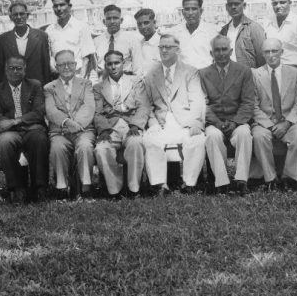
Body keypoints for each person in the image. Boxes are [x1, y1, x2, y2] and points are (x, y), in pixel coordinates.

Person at [137, 34, 207, 195]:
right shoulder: (151, 74)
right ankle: (160, 185)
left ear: (178, 50)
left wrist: (196, 122)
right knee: (149, 139)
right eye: (161, 47)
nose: (164, 50)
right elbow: (146, 104)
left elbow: (197, 100)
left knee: (197, 139)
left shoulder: (190, 72)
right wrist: (152, 123)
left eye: (168, 47)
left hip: (184, 120)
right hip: (161, 122)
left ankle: (189, 184)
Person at [199, 35, 257, 195]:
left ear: (231, 51)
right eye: (217, 50)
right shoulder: (203, 74)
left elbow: (248, 102)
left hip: (237, 121)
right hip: (214, 122)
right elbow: (203, 104)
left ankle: (241, 180)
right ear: (211, 53)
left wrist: (235, 122)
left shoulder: (243, 71)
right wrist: (217, 123)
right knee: (212, 137)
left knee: (245, 134)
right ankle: (221, 182)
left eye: (224, 49)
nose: (221, 53)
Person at [250, 38, 297, 191]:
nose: (271, 55)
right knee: (258, 136)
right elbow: (253, 105)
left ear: (282, 52)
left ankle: (289, 178)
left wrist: (287, 123)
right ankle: (270, 179)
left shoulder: (295, 73)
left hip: (288, 121)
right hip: (265, 122)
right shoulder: (255, 74)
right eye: (267, 52)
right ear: (262, 54)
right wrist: (270, 125)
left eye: (275, 51)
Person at [0, 56, 49, 204]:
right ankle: (17, 189)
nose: (15, 71)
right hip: (10, 132)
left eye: (19, 68)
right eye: (11, 68)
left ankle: (39, 188)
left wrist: (15, 121)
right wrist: (5, 123)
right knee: (4, 142)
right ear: (5, 69)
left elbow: (39, 111)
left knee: (40, 139)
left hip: (32, 129)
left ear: (25, 70)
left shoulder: (34, 86)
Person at [93, 50, 147, 198]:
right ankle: (114, 189)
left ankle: (134, 188)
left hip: (131, 124)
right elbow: (97, 113)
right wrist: (103, 130)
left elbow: (143, 106)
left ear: (124, 63)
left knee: (136, 143)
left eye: (116, 63)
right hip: (111, 126)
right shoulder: (98, 88)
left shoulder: (136, 82)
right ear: (105, 66)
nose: (113, 67)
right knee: (101, 149)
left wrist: (135, 125)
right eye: (109, 64)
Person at [45, 49, 96, 199]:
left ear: (76, 65)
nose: (66, 67)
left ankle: (86, 187)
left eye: (70, 63)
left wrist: (76, 125)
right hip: (59, 131)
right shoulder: (49, 87)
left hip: (83, 129)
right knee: (57, 147)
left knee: (85, 147)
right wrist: (67, 122)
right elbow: (51, 110)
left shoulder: (86, 84)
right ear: (56, 66)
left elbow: (89, 107)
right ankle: (61, 187)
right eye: (62, 64)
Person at [0, 1, 54, 86]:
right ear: (11, 17)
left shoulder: (41, 36)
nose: (19, 17)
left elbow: (46, 66)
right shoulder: (2, 39)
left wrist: (47, 89)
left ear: (27, 15)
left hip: (36, 88)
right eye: (15, 14)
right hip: (12, 89)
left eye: (22, 14)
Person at [45, 0, 96, 78]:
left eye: (62, 5)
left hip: (77, 75)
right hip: (58, 78)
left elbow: (87, 57)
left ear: (69, 6)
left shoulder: (81, 26)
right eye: (55, 6)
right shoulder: (49, 30)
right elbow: (50, 56)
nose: (59, 8)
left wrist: (80, 81)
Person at [221, 0, 267, 69]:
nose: (233, 7)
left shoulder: (254, 28)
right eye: (230, 4)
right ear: (226, 7)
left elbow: (262, 58)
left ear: (244, 5)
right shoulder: (224, 31)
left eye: (237, 4)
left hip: (248, 77)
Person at [170, 0, 217, 69]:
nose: (190, 13)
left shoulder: (212, 31)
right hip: (183, 77)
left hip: (206, 76)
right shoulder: (174, 33)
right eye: (187, 9)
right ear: (182, 12)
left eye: (194, 9)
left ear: (201, 11)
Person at [93, 5, 140, 76]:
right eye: (109, 19)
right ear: (104, 22)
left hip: (126, 81)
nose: (112, 21)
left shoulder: (132, 40)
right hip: (103, 82)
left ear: (121, 20)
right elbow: (94, 70)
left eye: (115, 18)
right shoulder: (96, 42)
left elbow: (138, 69)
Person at [133, 8, 162, 75]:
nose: (142, 27)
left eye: (146, 23)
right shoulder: (138, 45)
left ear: (154, 23)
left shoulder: (163, 43)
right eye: (139, 24)